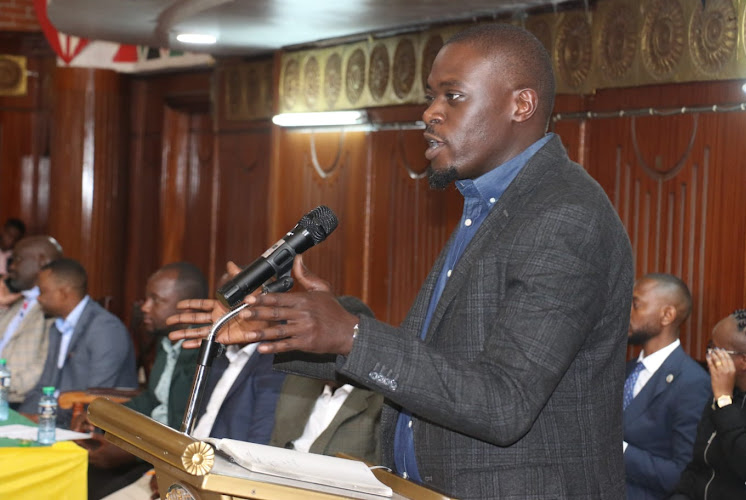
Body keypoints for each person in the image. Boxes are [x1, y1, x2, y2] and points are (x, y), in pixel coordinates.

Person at [170, 23, 634, 499]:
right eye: (431, 97)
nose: (430, 114)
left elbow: (503, 402)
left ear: (522, 105)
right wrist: (285, 324)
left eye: (453, 97)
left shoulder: (565, 216)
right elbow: (435, 362)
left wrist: (350, 335)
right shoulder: (487, 205)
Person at [77, 262, 283, 500]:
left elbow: (256, 452)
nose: (227, 306)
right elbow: (167, 409)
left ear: (271, 304)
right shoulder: (218, 352)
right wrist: (106, 419)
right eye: (225, 296)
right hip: (179, 467)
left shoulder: (272, 364)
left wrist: (142, 456)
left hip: (212, 480)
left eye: (239, 296)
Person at [18, 258, 138, 426]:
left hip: (92, 428)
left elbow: (96, 399)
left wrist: (44, 419)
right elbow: (43, 387)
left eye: (43, 291)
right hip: (53, 421)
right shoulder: (57, 326)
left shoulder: (105, 329)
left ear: (64, 292)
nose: (38, 298)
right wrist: (21, 418)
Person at [623, 273, 711, 499]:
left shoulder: (692, 382)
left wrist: (617, 450)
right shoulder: (623, 371)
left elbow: (681, 475)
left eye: (635, 304)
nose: (626, 313)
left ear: (667, 315)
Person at [270, 296, 383, 463]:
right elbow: (275, 444)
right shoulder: (298, 381)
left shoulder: (382, 402)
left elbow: (383, 476)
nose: (315, 351)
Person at [669, 310, 746, 499]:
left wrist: (724, 400)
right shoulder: (725, 392)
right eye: (709, 347)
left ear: (744, 362)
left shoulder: (723, 394)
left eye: (716, 351)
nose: (709, 357)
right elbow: (698, 464)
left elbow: (745, 463)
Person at [0, 235, 62, 405]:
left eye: (17, 259)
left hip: (17, 400)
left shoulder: (53, 309)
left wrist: (3, 386)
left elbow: (40, 370)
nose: (10, 267)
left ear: (41, 261)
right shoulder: (17, 302)